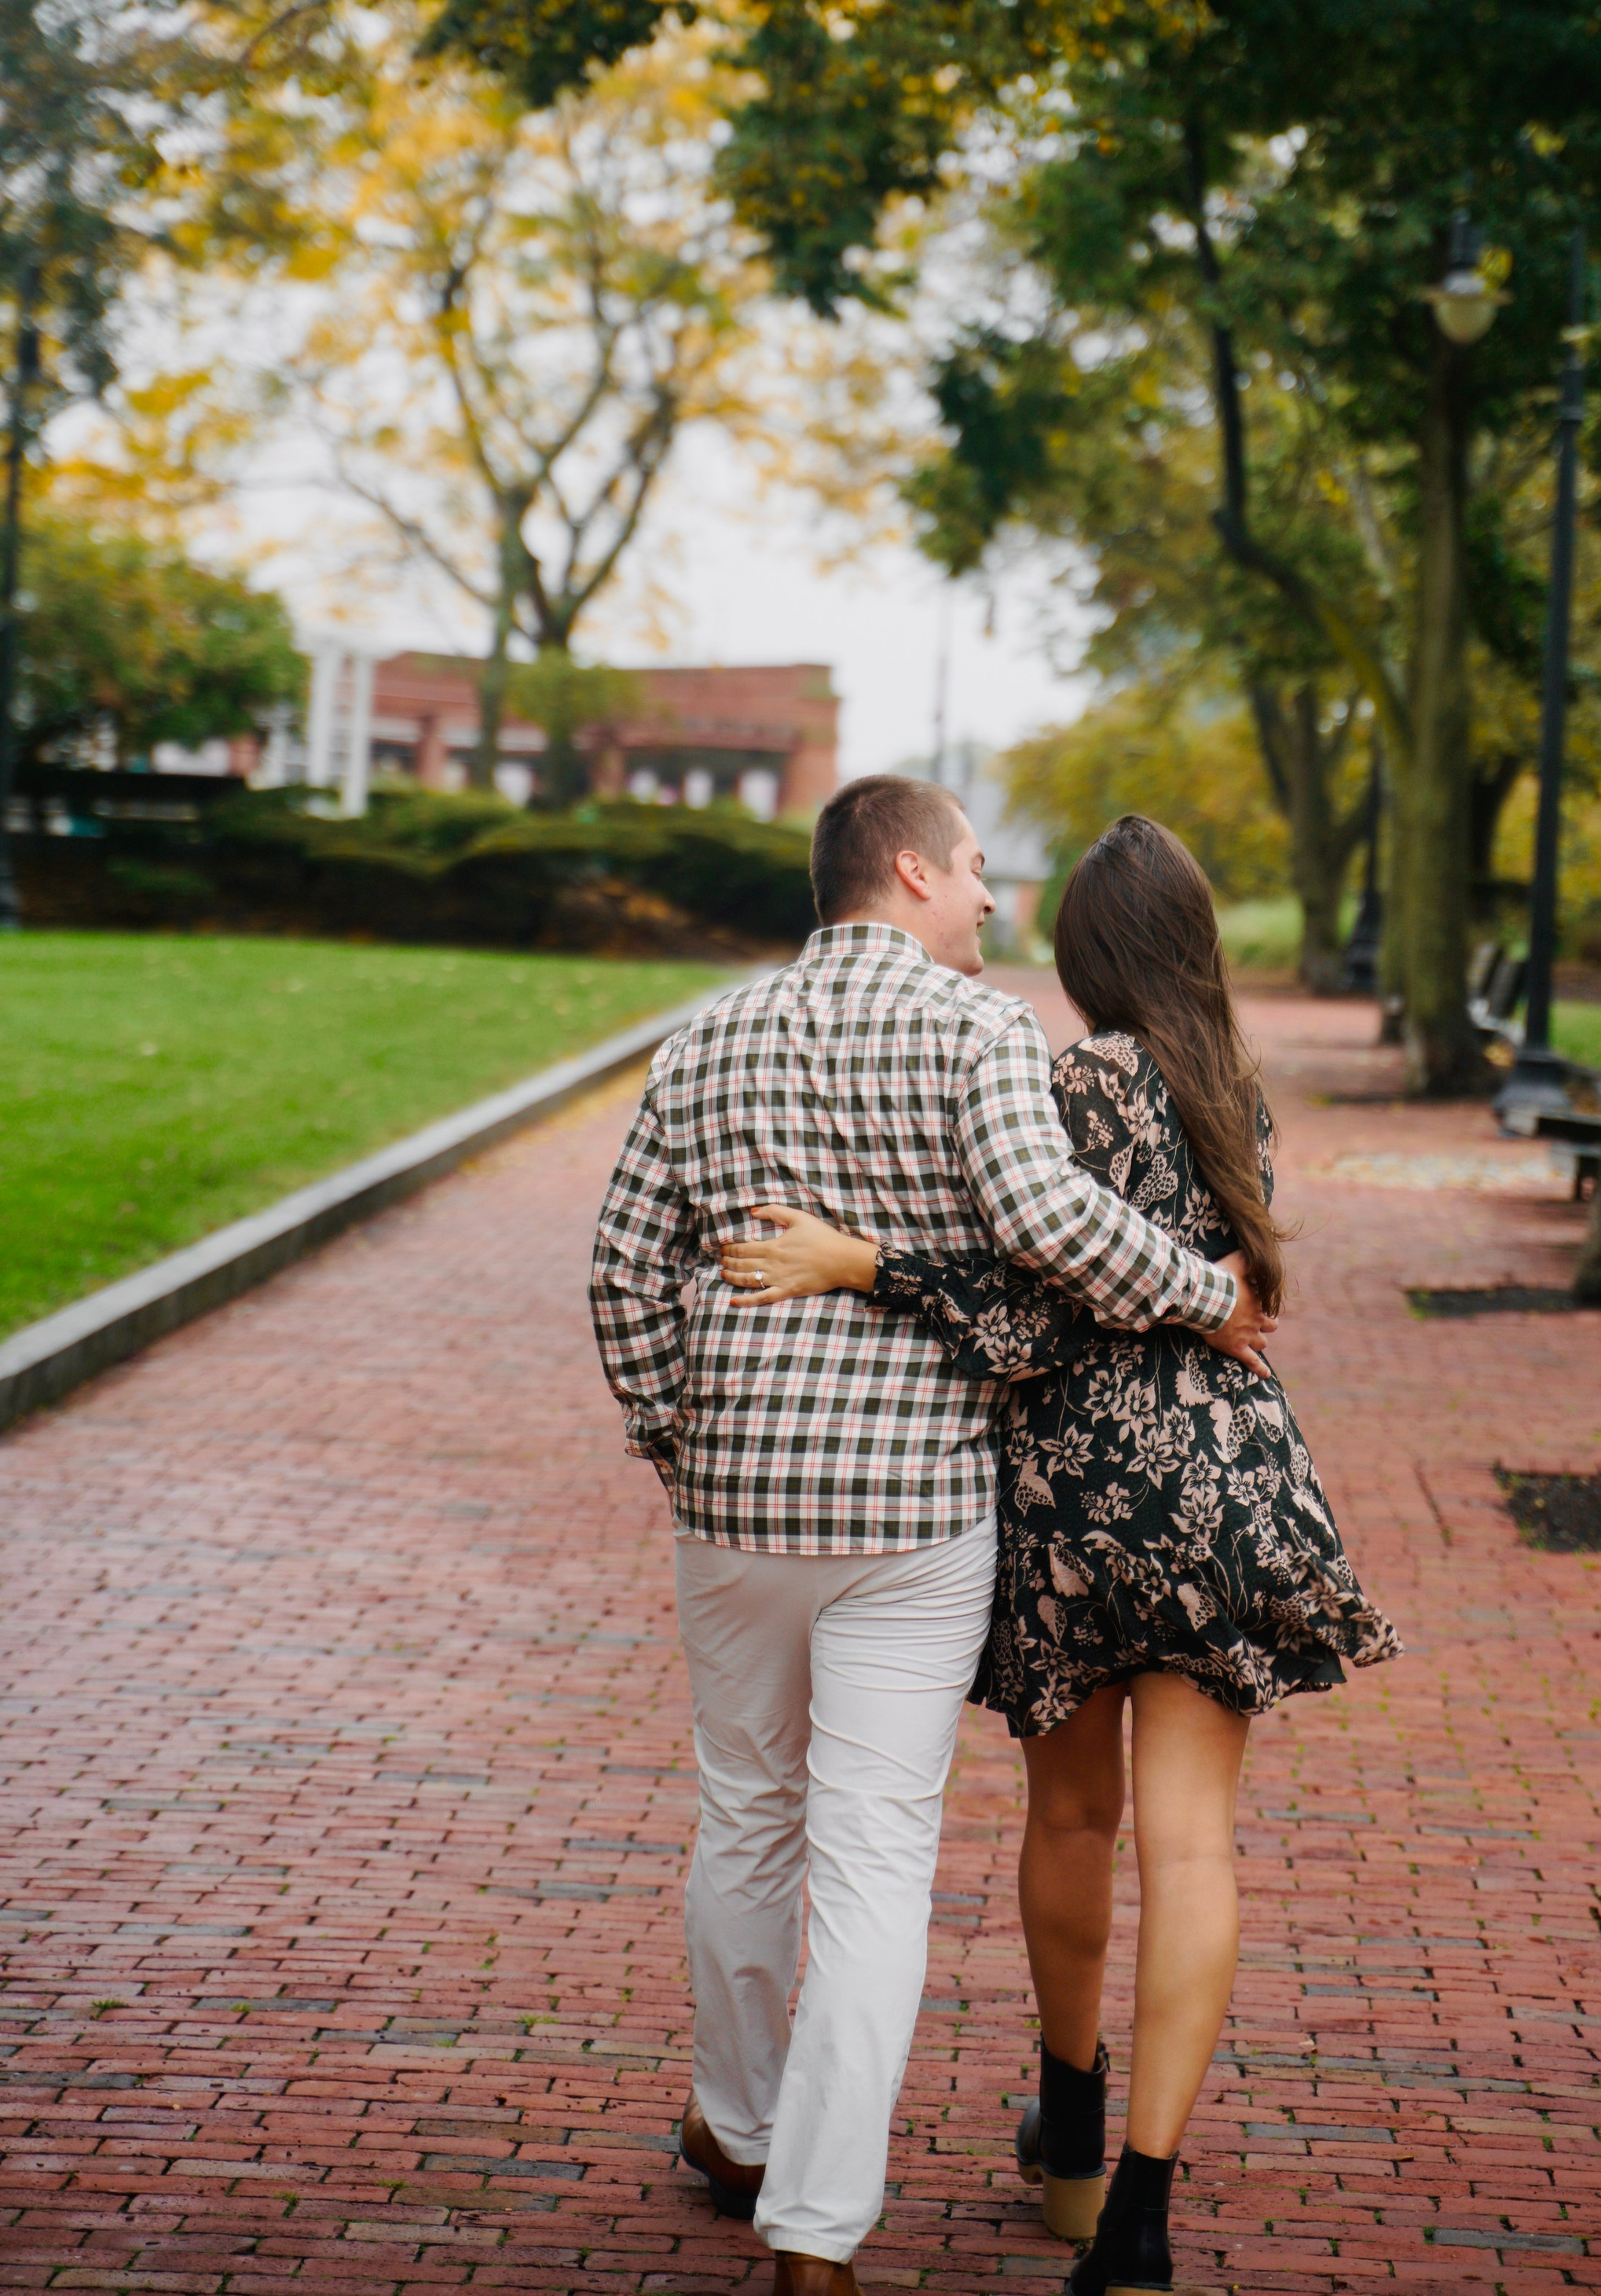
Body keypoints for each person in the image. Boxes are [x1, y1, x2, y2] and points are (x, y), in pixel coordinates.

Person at [588, 778, 1274, 2296]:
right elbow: (1049, 1224)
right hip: (915, 1508)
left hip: (738, 1502)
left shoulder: (702, 1035)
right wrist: (1206, 1288)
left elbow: (624, 1270)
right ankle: (817, 2232)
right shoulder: (979, 1036)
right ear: (907, 867)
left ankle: (740, 2126)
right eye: (972, 868)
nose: (987, 897)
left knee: (746, 1813)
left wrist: (675, 1432)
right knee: (880, 1859)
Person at [719, 814, 1401, 2296]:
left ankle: (1074, 2135)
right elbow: (1198, 1285)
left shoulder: (1072, 1071)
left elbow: (1040, 1308)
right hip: (1230, 1481)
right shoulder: (1237, 1089)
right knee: (1196, 1847)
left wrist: (865, 1261)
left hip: (1088, 1503)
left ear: (1088, 954)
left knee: (1074, 1823)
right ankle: (1141, 2211)